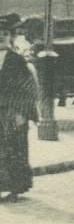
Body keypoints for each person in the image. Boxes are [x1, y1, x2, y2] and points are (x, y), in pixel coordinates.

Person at [0, 19, 39, 202]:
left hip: (13, 112)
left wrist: (21, 112)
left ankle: (16, 188)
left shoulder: (16, 59)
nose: (1, 37)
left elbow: (26, 86)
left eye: (5, 34)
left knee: (15, 148)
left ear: (11, 37)